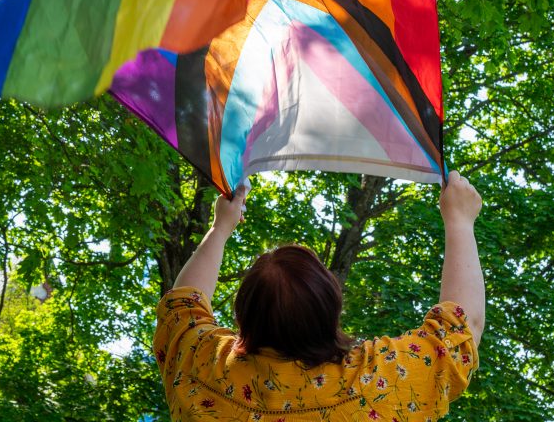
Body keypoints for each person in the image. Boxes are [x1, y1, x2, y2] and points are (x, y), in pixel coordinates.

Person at [153, 171, 484, 421]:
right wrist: (460, 221)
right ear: (331, 311)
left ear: (243, 314)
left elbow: (182, 304)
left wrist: (220, 228)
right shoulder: (373, 385)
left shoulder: (201, 368)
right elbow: (460, 331)